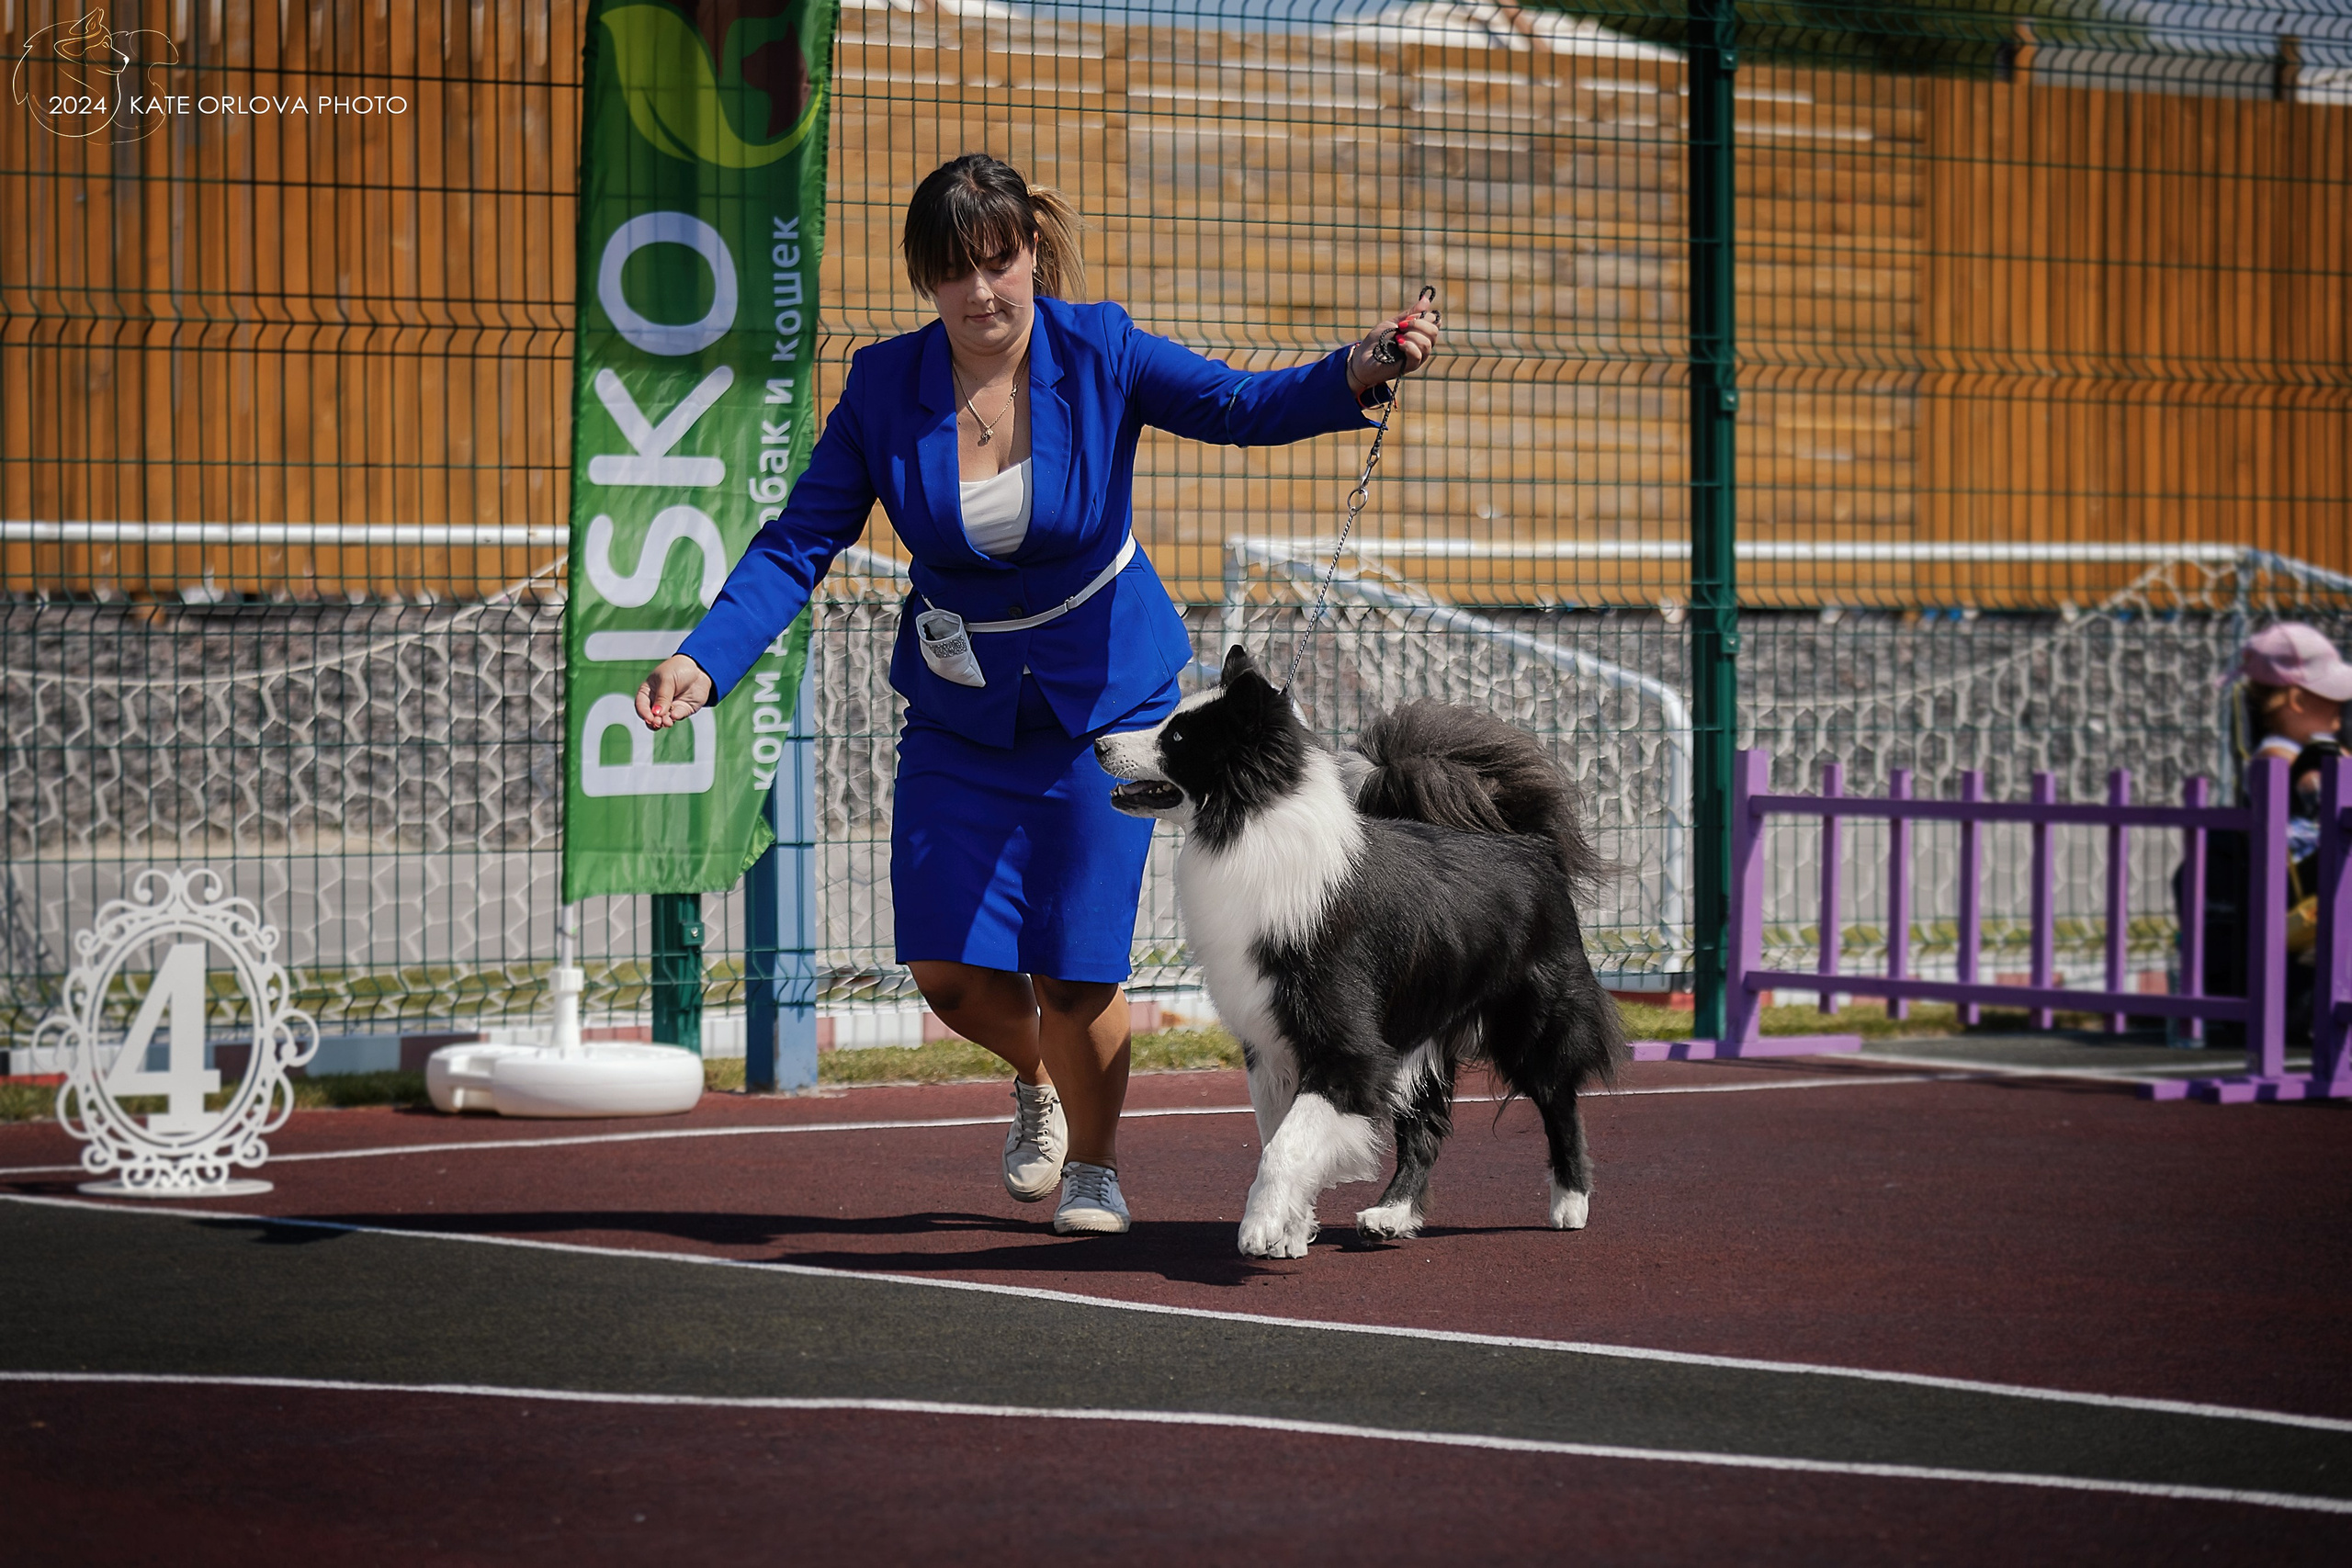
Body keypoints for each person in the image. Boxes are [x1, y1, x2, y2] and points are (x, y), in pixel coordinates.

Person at [634, 153, 1441, 1235]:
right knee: (946, 971)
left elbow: (1237, 403)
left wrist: (1356, 368)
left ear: (1030, 251)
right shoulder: (882, 386)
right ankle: (1038, 1079)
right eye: (952, 271)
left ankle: (1096, 1171)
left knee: (1073, 973)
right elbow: (800, 539)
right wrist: (706, 656)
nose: (980, 292)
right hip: (960, 712)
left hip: (1105, 704)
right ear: (924, 278)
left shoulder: (1100, 346)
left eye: (998, 261)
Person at [2186, 623, 2350, 1045]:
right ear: (2297, 700)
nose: (2342, 707)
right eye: (2333, 697)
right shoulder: (2280, 756)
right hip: (2305, 887)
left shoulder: (2318, 749)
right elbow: (2313, 787)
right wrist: (2319, 780)